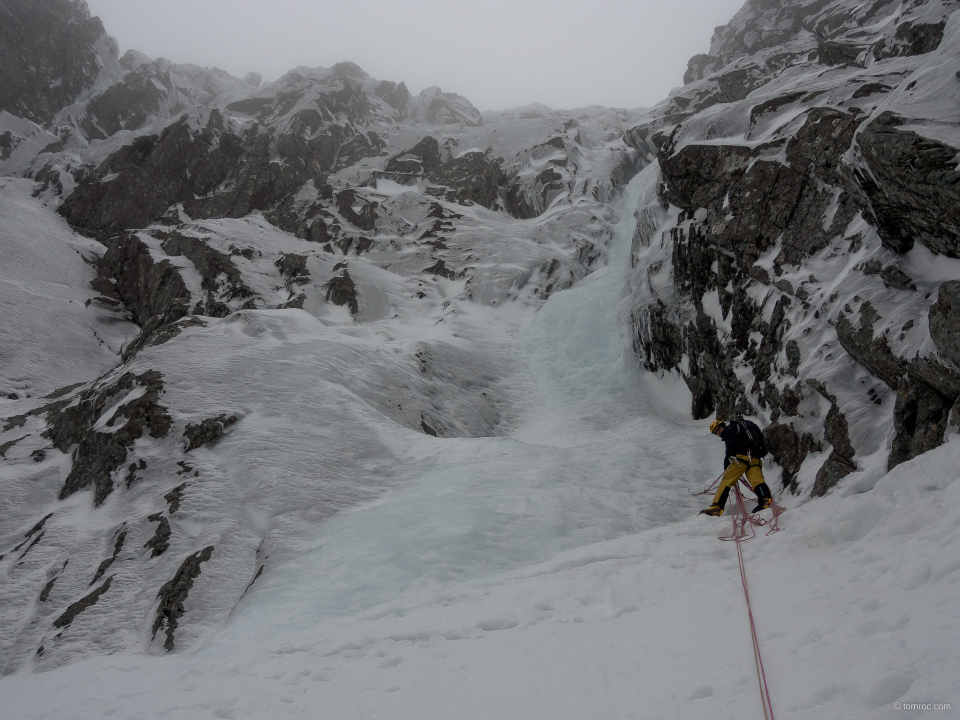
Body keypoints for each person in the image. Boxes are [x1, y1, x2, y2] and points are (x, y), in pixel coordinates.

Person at [700, 418, 773, 516]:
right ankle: (765, 499)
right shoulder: (742, 428)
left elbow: (731, 447)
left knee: (727, 481)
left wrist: (726, 465)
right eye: (715, 432)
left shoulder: (730, 429)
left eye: (718, 429)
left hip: (741, 459)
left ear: (722, 426)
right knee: (757, 480)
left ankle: (717, 506)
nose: (718, 433)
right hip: (755, 458)